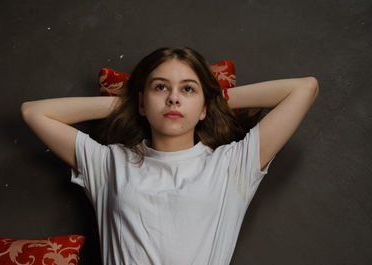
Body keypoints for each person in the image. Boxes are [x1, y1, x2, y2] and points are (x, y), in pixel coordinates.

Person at [21, 47, 319, 265]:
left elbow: (305, 88)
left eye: (188, 89)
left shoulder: (232, 164)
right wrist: (129, 105)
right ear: (142, 102)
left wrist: (214, 99)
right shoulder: (109, 164)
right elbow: (33, 112)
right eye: (160, 87)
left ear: (203, 109)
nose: (173, 97)